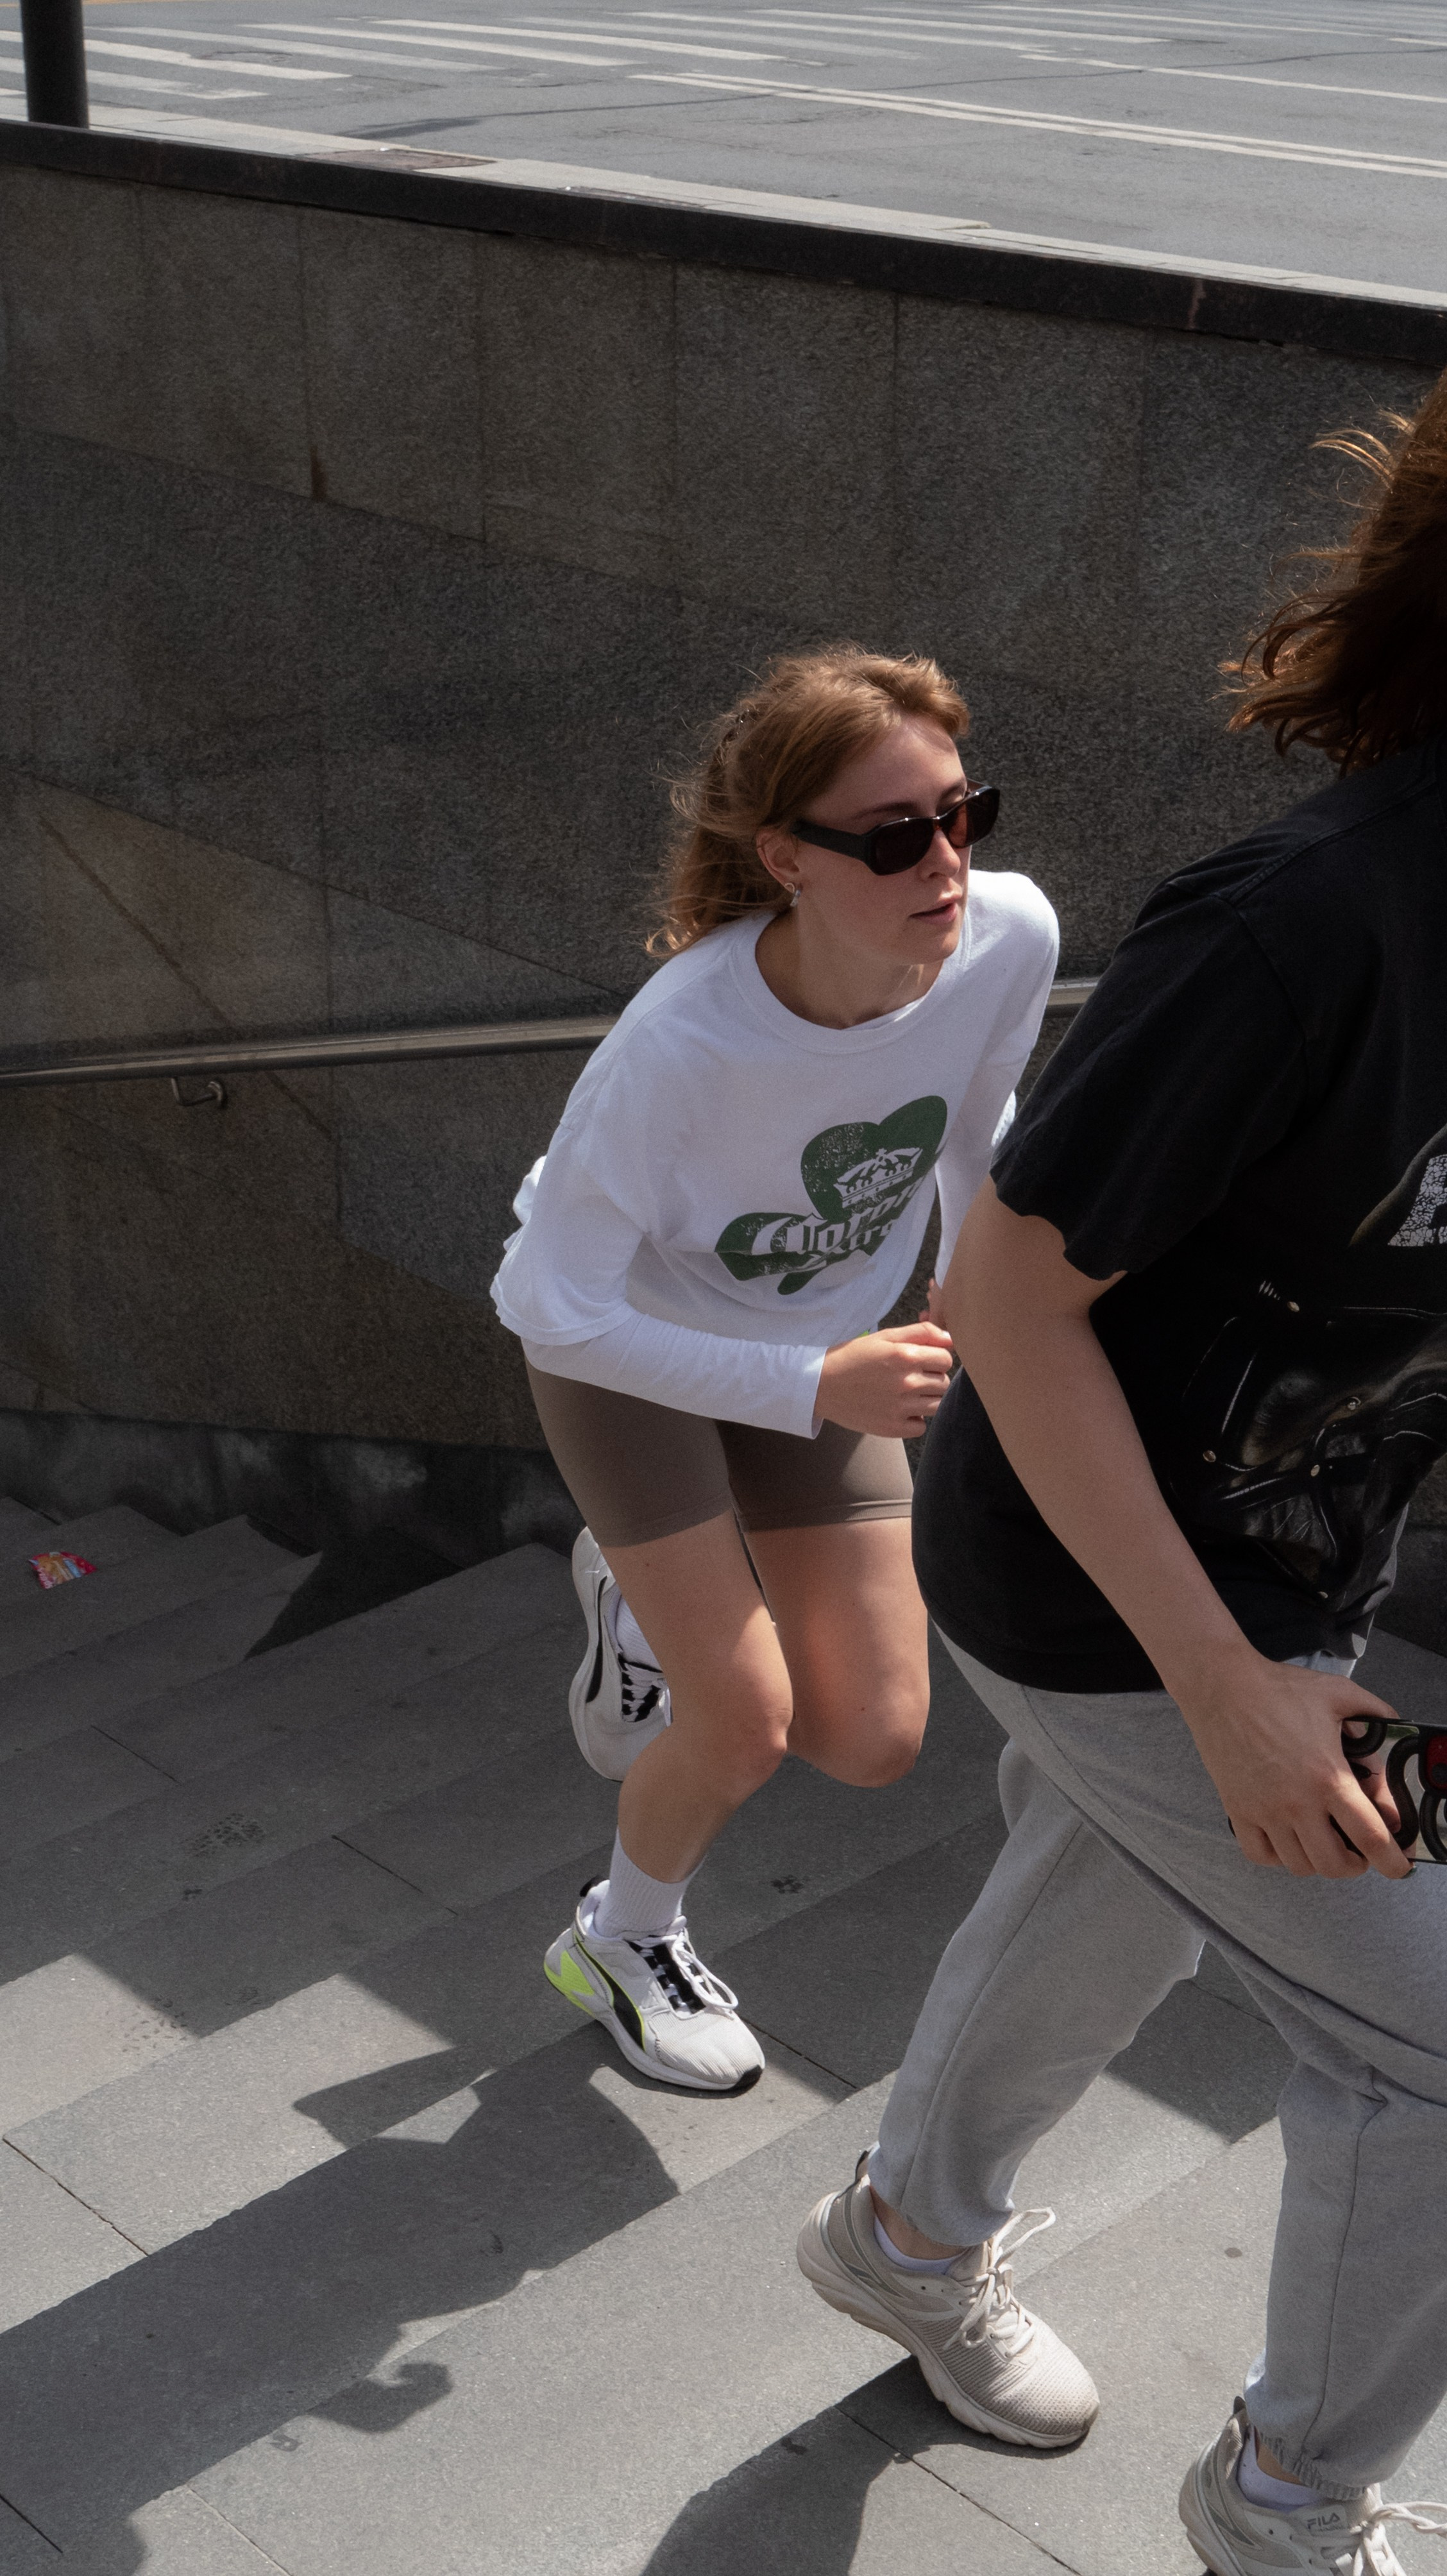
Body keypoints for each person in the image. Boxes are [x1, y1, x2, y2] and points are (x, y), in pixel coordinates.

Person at [799, 377, 1447, 2570]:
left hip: (1299, 1540)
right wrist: (1221, 1681)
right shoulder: (1306, 922)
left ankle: (901, 2233)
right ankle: (1284, 2504)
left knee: (1117, 1898)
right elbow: (1011, 1293)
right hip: (1098, 1577)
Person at [491, 648, 1058, 2092]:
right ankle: (624, 1935)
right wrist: (818, 1387)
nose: (944, 861)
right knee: (740, 1720)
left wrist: (983, 1297)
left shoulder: (1006, 936)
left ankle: (649, 1600)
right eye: (892, 835)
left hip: (829, 1347)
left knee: (870, 1737)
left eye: (959, 811)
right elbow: (545, 1306)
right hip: (633, 1356)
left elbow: (972, 1140)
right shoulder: (678, 1044)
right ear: (785, 859)